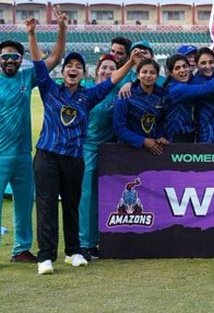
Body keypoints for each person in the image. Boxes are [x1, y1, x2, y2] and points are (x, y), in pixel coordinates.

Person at [31, 31, 138, 275]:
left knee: (72, 205)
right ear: (62, 71)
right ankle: (46, 257)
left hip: (74, 158)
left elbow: (112, 80)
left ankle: (73, 252)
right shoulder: (49, 89)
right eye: (69, 65)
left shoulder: (87, 96)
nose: (73, 69)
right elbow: (38, 63)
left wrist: (131, 62)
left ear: (84, 73)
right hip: (47, 156)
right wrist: (32, 34)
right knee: (47, 207)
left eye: (78, 67)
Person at [0, 12, 66, 264]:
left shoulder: (26, 77)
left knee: (24, 205)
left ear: (20, 60)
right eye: (5, 56)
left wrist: (60, 29)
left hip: (23, 155)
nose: (9, 60)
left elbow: (55, 58)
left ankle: (21, 249)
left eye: (14, 57)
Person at [79, 54, 120, 260]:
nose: (107, 71)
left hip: (109, 152)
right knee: (87, 198)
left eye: (112, 68)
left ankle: (100, 241)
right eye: (104, 67)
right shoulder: (85, 88)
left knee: (106, 199)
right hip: (86, 149)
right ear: (97, 70)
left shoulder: (119, 92)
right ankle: (85, 243)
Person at [162, 52, 214, 142]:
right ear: (171, 73)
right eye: (177, 68)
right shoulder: (176, 89)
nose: (182, 70)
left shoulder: (188, 84)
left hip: (191, 135)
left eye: (184, 66)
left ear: (190, 68)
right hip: (178, 137)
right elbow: (208, 88)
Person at [113, 59, 168, 154]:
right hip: (128, 149)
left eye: (152, 72)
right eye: (144, 72)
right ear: (138, 75)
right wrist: (143, 141)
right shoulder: (125, 95)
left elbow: (162, 121)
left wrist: (161, 136)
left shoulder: (162, 95)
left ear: (157, 76)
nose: (148, 76)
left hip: (155, 149)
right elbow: (118, 127)